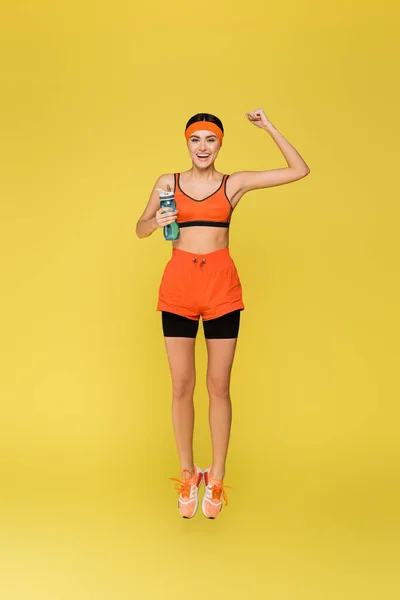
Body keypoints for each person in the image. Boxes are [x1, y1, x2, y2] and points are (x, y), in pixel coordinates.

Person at [136, 109, 310, 519]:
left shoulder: (234, 185)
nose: (202, 147)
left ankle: (215, 474)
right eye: (195, 139)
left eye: (210, 140)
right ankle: (186, 472)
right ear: (187, 143)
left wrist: (269, 126)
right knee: (181, 384)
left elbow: (299, 169)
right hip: (178, 286)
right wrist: (155, 220)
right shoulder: (168, 184)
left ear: (220, 144)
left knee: (219, 386)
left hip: (221, 289)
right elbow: (140, 228)